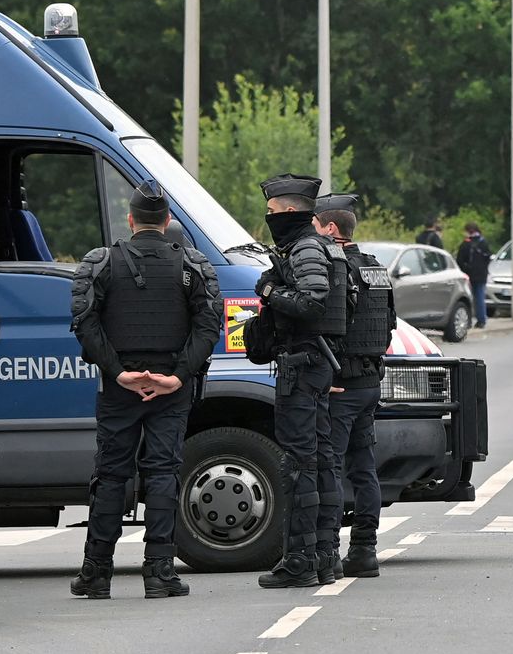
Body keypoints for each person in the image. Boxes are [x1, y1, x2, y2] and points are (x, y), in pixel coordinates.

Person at [68, 180, 222, 600]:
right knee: (162, 474)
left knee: (111, 475)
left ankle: (96, 572)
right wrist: (177, 376)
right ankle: (159, 573)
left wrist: (118, 372)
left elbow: (85, 323)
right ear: (168, 221)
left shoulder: (101, 262)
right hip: (170, 387)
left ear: (131, 220)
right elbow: (210, 326)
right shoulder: (192, 265)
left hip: (120, 389)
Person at [243, 172, 349, 589]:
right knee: (319, 460)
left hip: (302, 368)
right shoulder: (318, 247)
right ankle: (324, 557)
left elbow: (311, 302)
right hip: (313, 366)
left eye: (271, 211)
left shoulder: (305, 250)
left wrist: (270, 293)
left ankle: (301, 561)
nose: (269, 218)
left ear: (289, 210)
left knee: (299, 463)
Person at [315, 194, 395, 578]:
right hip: (369, 382)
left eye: (315, 226)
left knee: (329, 468)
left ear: (331, 229)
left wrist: (326, 378)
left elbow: (330, 328)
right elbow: (389, 325)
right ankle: (365, 550)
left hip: (342, 385)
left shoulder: (336, 268)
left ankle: (327, 550)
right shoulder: (377, 269)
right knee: (364, 469)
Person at [456, 221, 493, 329]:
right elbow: (488, 257)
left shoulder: (465, 244)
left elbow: (460, 260)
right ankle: (481, 320)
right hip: (481, 274)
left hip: (468, 275)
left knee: (467, 298)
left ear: (467, 231)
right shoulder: (483, 242)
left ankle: (468, 321)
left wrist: (466, 269)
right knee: (480, 297)